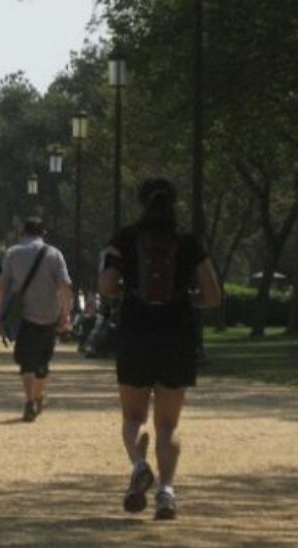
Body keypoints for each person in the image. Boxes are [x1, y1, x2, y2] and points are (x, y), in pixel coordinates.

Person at [99, 178, 221, 521]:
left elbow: (107, 287)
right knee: (168, 424)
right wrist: (187, 299)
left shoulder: (124, 239)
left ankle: (139, 465)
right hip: (178, 334)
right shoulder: (188, 242)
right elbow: (212, 295)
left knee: (133, 417)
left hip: (135, 332)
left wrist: (127, 288)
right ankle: (166, 493)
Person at [0, 217, 72, 423]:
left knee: (26, 361)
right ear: (43, 234)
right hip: (49, 315)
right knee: (42, 361)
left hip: (24, 316)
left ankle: (30, 399)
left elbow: (2, 286)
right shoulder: (54, 254)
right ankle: (39, 395)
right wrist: (66, 313)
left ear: (23, 232)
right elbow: (65, 286)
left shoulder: (13, 253)